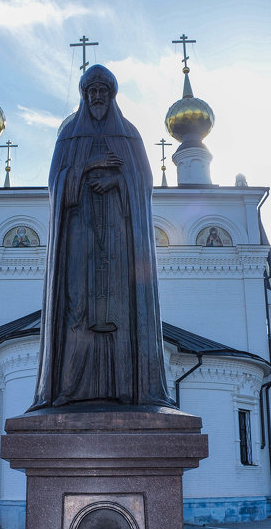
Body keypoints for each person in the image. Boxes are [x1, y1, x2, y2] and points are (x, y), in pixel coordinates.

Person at [31, 65, 173, 409]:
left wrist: (116, 182)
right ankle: (69, 388)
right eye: (91, 91)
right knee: (76, 308)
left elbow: (144, 185)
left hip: (119, 238)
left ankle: (127, 387)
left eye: (103, 91)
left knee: (121, 311)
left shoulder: (130, 136)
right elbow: (56, 187)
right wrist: (89, 165)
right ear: (84, 96)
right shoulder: (69, 138)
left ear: (112, 96)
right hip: (79, 237)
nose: (97, 97)